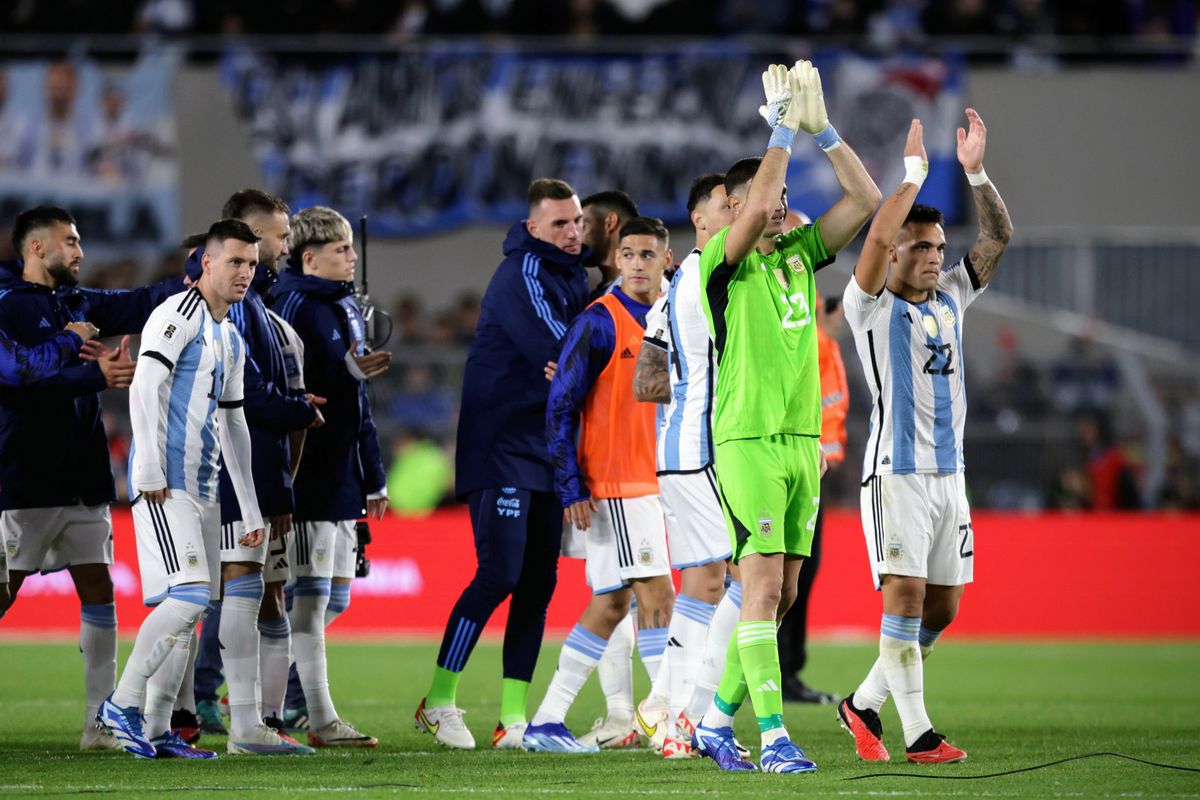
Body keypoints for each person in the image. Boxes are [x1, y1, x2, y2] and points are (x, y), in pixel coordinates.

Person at [692, 61, 880, 774]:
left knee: (784, 595)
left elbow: (864, 196)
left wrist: (822, 130)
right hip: (746, 443)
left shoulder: (799, 256)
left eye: (780, 197)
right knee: (763, 588)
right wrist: (776, 130)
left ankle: (714, 721)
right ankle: (773, 737)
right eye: (763, 199)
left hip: (804, 446)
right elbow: (755, 205)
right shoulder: (723, 262)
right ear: (739, 207)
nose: (778, 205)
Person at [837, 110, 1012, 764]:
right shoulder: (871, 307)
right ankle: (919, 736)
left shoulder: (954, 298)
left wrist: (975, 172)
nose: (936, 258)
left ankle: (861, 705)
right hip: (896, 473)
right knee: (904, 597)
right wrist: (909, 178)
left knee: (942, 609)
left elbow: (999, 233)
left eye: (940, 247)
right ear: (897, 254)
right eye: (922, 248)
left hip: (950, 477)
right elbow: (876, 240)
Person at [416, 178, 589, 750]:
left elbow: (572, 361)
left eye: (577, 221)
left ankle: (512, 718)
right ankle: (439, 700)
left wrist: (574, 366)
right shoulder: (524, 275)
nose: (571, 232)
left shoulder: (573, 277)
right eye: (559, 223)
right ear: (534, 228)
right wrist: (575, 363)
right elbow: (565, 349)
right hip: (502, 448)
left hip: (545, 448)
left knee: (539, 585)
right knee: (500, 574)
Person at [0, 205, 179, 750]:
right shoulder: (6, 305)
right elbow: (18, 372)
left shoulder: (79, 302)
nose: (80, 252)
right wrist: (82, 358)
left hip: (82, 474)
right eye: (70, 242)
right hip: (21, 477)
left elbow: (141, 301)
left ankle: (99, 724)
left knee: (98, 588)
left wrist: (197, 274)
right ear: (37, 248)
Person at [96, 219, 265, 760]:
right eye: (235, 262)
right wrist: (145, 470)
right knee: (190, 598)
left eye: (252, 264)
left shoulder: (230, 334)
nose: (245, 273)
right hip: (168, 486)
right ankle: (121, 704)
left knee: (188, 611)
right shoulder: (177, 313)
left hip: (206, 488)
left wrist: (252, 504)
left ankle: (155, 726)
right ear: (206, 263)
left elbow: (234, 424)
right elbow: (145, 385)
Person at [525, 216, 674, 753]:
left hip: (650, 481)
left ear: (666, 258)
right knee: (659, 597)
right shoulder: (598, 322)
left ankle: (546, 721)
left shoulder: (667, 317)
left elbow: (654, 402)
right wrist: (571, 486)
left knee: (611, 605)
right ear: (616, 259)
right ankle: (668, 720)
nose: (636, 263)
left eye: (647, 254)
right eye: (628, 254)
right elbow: (560, 406)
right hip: (617, 484)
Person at [182, 190, 325, 750]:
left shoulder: (256, 305)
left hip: (245, 479)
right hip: (212, 479)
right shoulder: (216, 308)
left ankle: (241, 720)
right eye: (279, 236)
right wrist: (300, 410)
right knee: (202, 596)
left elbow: (249, 403)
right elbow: (246, 403)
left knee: (250, 591)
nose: (284, 247)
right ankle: (175, 712)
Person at [630, 172, 742, 758]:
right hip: (701, 451)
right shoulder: (706, 273)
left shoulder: (675, 287)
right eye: (729, 207)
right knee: (747, 579)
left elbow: (645, 381)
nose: (738, 214)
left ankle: (667, 706)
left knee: (708, 581)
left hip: (680, 451)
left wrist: (683, 388)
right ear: (701, 221)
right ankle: (686, 711)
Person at [271, 206, 388, 748]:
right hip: (308, 470)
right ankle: (316, 716)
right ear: (310, 257)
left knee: (333, 598)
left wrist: (374, 475)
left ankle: (284, 694)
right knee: (310, 601)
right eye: (342, 249)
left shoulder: (342, 306)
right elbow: (289, 384)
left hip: (342, 473)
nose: (352, 256)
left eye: (351, 247)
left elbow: (358, 401)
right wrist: (344, 372)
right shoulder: (292, 304)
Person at [776, 293, 847, 705]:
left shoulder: (827, 347)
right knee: (787, 575)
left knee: (796, 575)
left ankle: (785, 671)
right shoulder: (810, 343)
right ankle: (780, 672)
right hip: (797, 468)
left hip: (813, 470)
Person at [580, 190, 640, 298]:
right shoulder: (595, 298)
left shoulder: (652, 291)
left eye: (582, 226)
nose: (574, 236)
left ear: (610, 223)